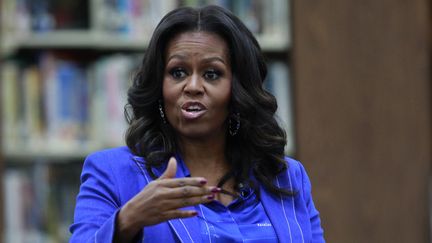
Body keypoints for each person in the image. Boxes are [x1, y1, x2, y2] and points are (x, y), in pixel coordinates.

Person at [69, 5, 325, 243]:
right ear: (160, 86)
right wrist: (127, 220)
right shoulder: (113, 173)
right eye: (178, 72)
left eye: (211, 74)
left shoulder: (285, 177)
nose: (192, 87)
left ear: (238, 90)